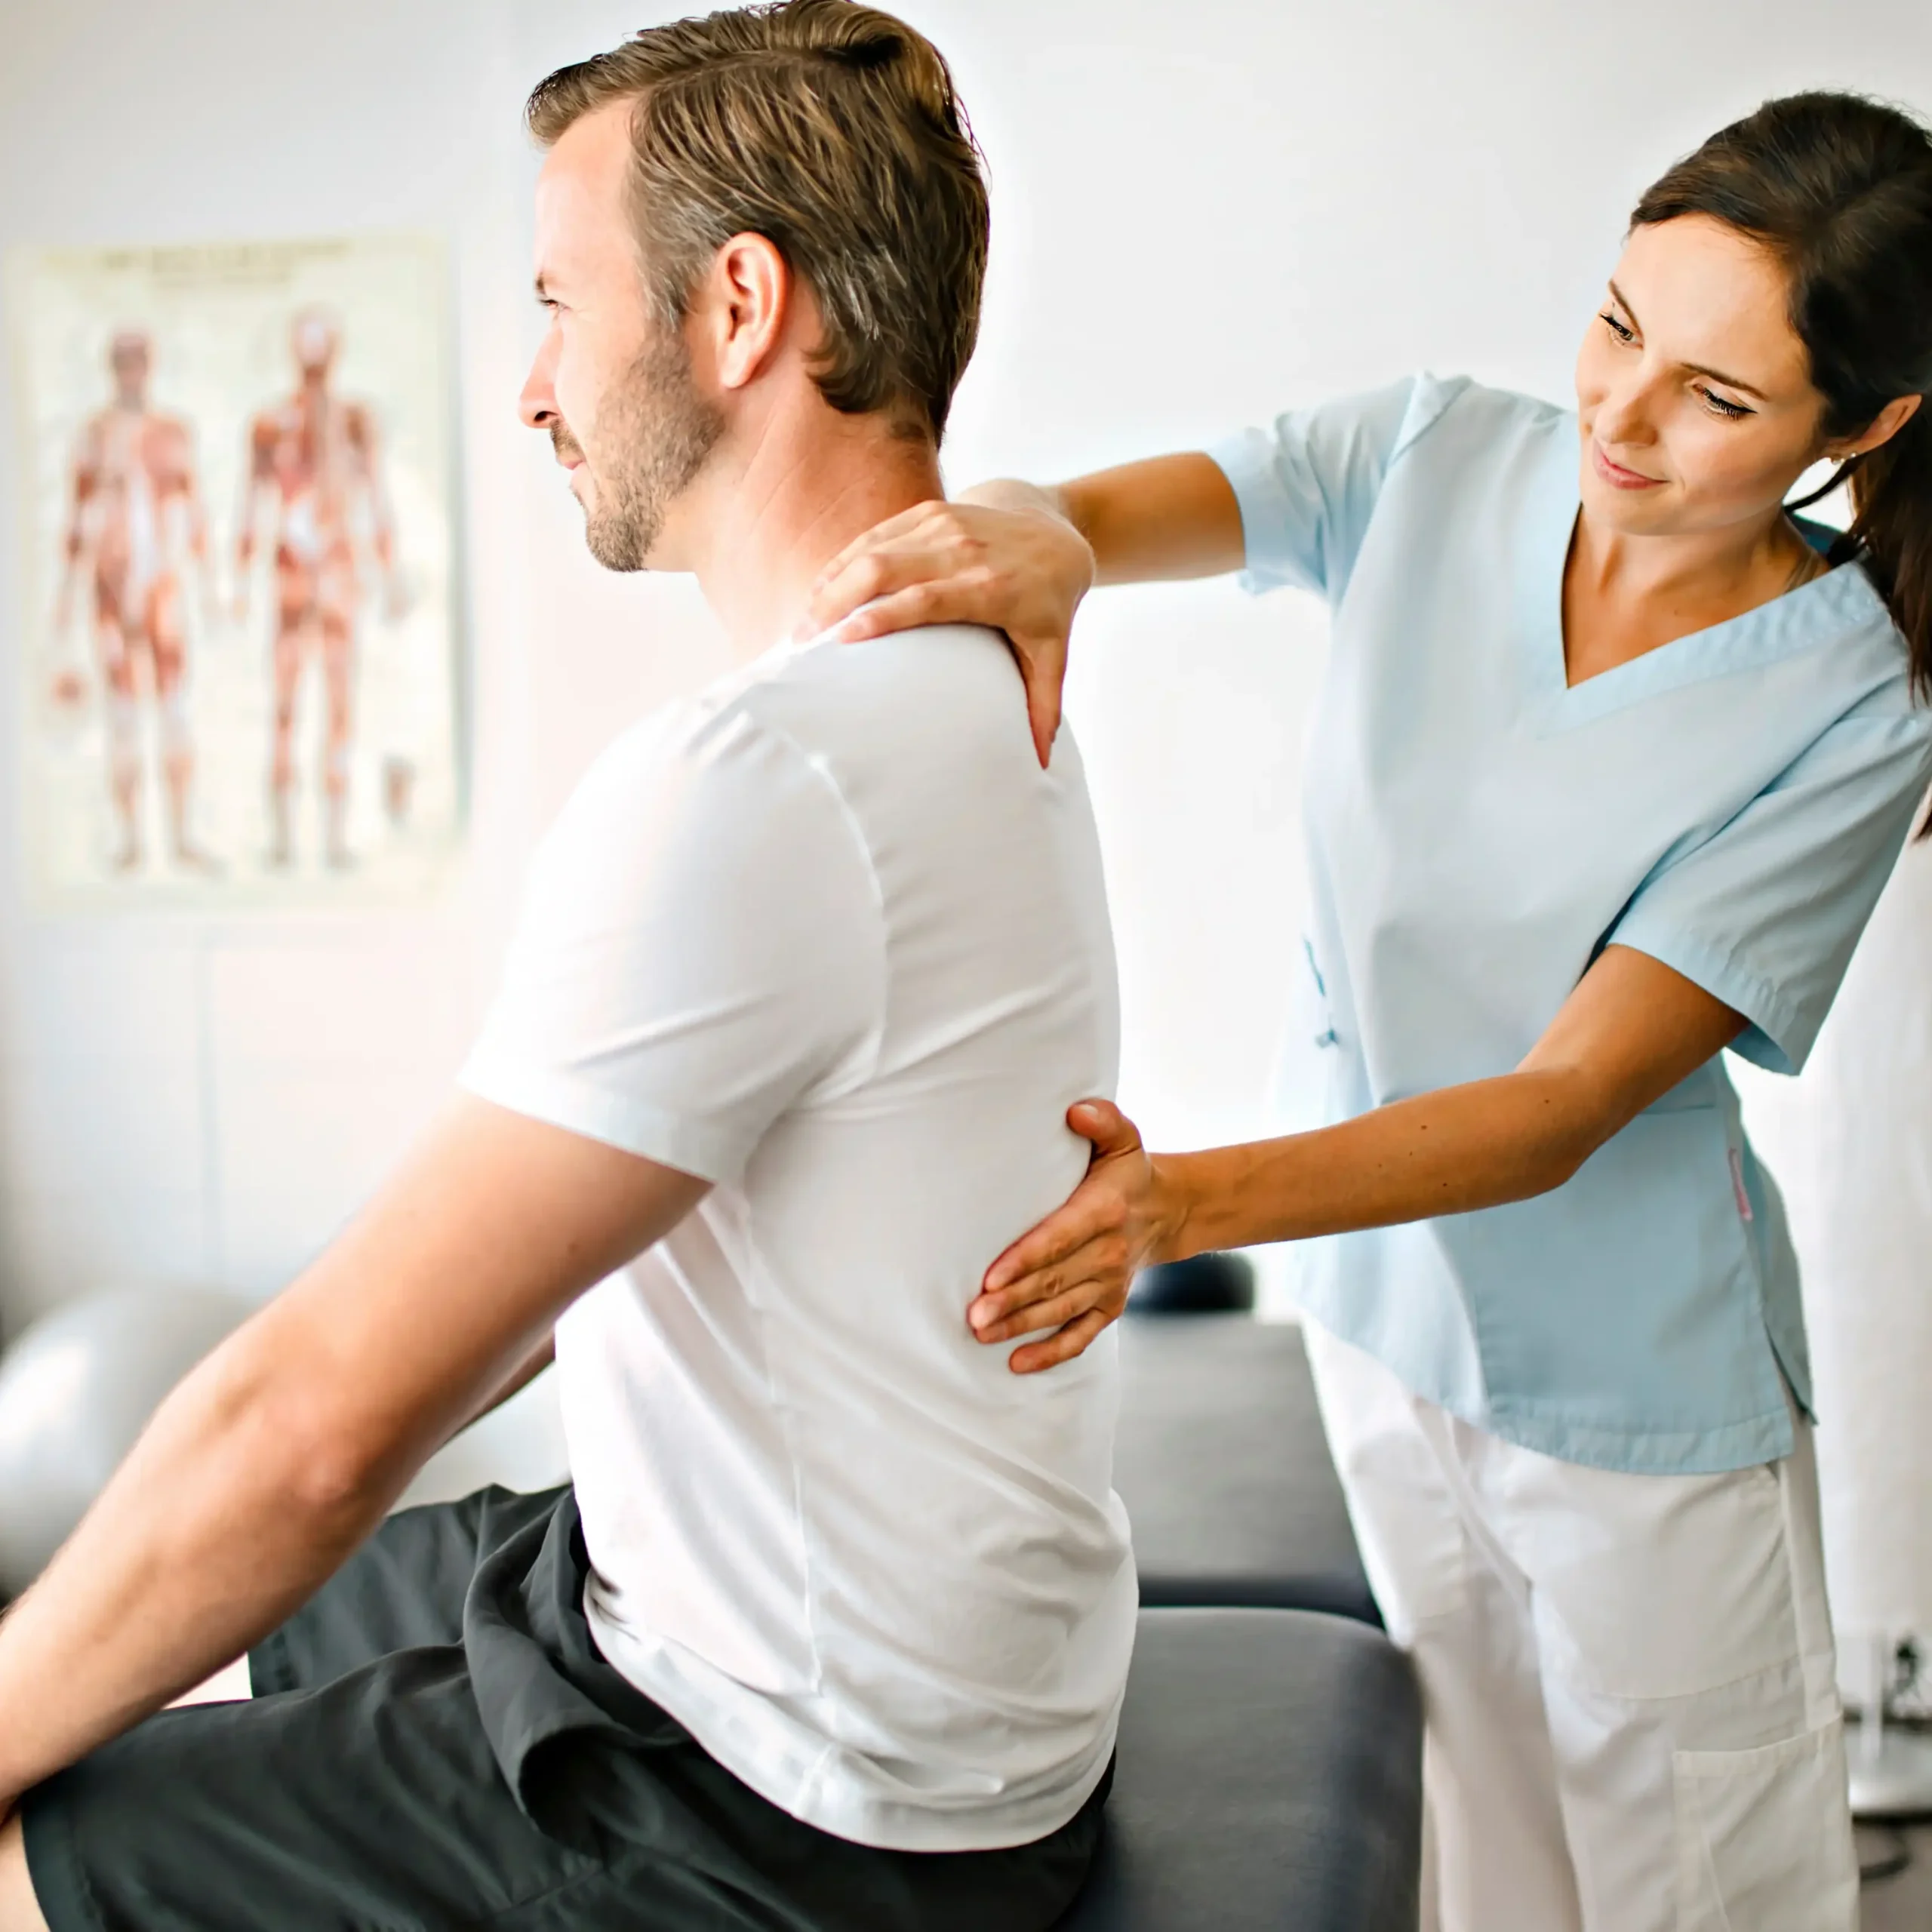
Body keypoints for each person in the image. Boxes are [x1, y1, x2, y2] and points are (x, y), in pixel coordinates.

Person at [0, 7, 1132, 1927]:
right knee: (232, 1614)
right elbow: (508, 1298)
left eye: (554, 302)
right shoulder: (971, 691)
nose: (534, 385)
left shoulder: (765, 775)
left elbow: (310, 1428)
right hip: (893, 1695)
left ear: (736, 306)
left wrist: (312, 1434)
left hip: (788, 1814)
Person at [805, 91, 1932, 1932]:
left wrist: (1168, 1202)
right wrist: (1020, 539)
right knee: (1488, 1861)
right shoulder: (1436, 457)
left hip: (1631, 1394)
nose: (1618, 415)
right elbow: (1091, 514)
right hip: (1383, 1341)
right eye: (1616, 323)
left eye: (1715, 400)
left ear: (1860, 426)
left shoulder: (1847, 707)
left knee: (1703, 1894)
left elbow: (1559, 1100)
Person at [235, 309, 402, 869]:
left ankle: (331, 837)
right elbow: (251, 504)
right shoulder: (270, 422)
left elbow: (376, 497)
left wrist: (390, 571)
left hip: (335, 569)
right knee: (285, 704)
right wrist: (238, 578)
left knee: (337, 704)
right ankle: (284, 838)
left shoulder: (354, 420)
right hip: (294, 570)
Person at [52, 329, 217, 875]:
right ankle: (129, 839)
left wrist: (210, 585)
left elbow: (193, 511)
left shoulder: (172, 433)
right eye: (123, 362)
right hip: (110, 589)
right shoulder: (94, 435)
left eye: (139, 362)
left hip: (161, 589)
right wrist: (66, 594)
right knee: (122, 717)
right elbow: (76, 520)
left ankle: (183, 834)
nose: (132, 372)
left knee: (175, 714)